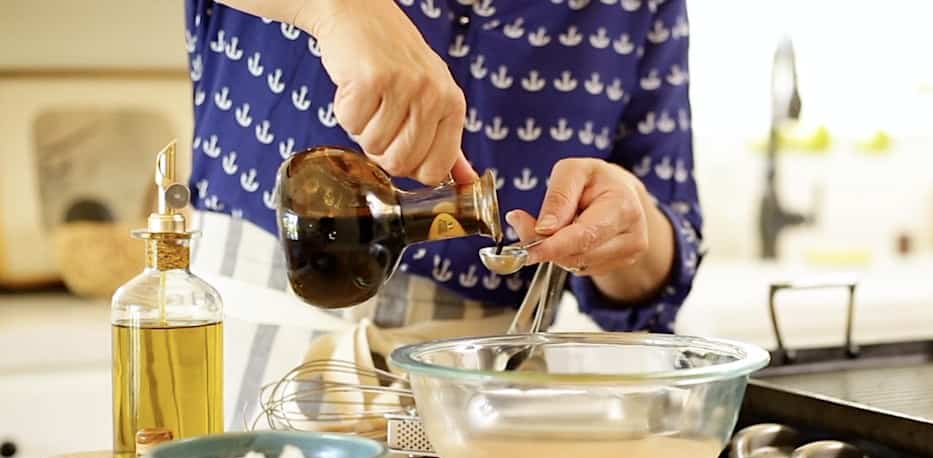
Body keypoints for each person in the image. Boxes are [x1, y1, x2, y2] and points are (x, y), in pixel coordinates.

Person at [185, 0, 702, 426]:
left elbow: (658, 272)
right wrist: (339, 9)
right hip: (242, 366)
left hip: (481, 403)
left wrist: (625, 223)